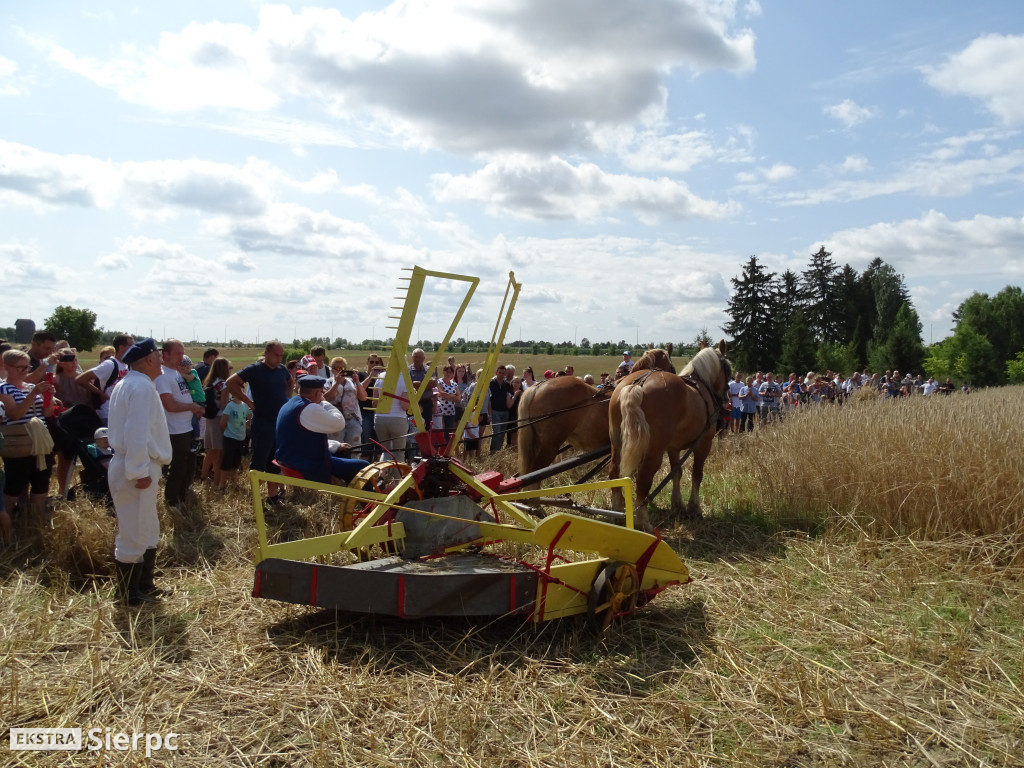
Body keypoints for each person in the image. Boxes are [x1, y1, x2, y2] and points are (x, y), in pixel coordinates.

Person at [107, 338, 173, 605]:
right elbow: (136, 433)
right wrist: (138, 471)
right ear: (148, 360)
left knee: (146, 527)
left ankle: (144, 585)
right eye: (158, 356)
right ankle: (128, 594)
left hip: (137, 464)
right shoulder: (142, 388)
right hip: (136, 467)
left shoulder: (130, 384)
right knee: (133, 531)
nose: (162, 361)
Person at [225, 340, 292, 503]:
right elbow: (230, 382)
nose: (279, 358)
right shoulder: (255, 369)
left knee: (274, 461)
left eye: (281, 355)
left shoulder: (282, 369)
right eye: (276, 355)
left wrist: (288, 398)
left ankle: (272, 495)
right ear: (267, 353)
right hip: (263, 422)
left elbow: (290, 381)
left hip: (278, 422)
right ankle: (254, 498)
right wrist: (249, 402)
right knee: (259, 460)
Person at [0, 348, 56, 540]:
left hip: (40, 442)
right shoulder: (3, 389)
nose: (25, 371)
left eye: (27, 367)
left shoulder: (31, 387)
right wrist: (33, 395)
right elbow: (14, 414)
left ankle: (37, 524)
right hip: (18, 442)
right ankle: (7, 528)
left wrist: (48, 396)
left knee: (41, 481)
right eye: (20, 368)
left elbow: (47, 414)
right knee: (15, 483)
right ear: (6, 367)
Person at [276, 376, 369, 484]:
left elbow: (301, 437)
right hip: (306, 463)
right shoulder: (309, 408)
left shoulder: (290, 404)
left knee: (342, 454)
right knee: (364, 466)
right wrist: (325, 403)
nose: (322, 395)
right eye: (321, 392)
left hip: (291, 458)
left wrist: (336, 445)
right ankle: (365, 500)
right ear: (317, 393)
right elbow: (339, 423)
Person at [155, 340, 204, 507]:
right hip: (175, 430)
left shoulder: (176, 373)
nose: (182, 357)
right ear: (166, 354)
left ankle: (183, 497)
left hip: (186, 426)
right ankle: (172, 502)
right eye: (178, 353)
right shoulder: (163, 376)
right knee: (178, 468)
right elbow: (169, 405)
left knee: (189, 466)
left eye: (183, 353)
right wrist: (192, 406)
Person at [76, 333, 133, 425]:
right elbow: (80, 379)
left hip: (122, 413)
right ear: (121, 347)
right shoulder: (109, 364)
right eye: (130, 345)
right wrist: (101, 393)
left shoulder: (127, 365)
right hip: (108, 413)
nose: (133, 347)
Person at [200, 358, 232, 488]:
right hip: (219, 419)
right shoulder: (224, 384)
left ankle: (203, 475)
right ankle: (217, 482)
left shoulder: (211, 382)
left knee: (212, 450)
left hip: (210, 418)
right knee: (219, 451)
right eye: (229, 368)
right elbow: (224, 405)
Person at [373, 362, 410, 463]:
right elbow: (404, 406)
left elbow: (374, 403)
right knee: (398, 453)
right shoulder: (405, 378)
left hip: (379, 419)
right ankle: (397, 479)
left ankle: (382, 477)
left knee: (386, 452)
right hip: (398, 419)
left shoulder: (380, 376)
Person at [219, 391, 251, 488]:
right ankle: (222, 483)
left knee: (236, 461)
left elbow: (249, 417)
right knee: (227, 460)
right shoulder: (230, 406)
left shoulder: (245, 406)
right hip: (230, 437)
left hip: (240, 438)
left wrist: (246, 424)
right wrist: (229, 429)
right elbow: (222, 422)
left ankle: (234, 482)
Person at [488, 364, 514, 453]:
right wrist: (490, 413)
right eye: (500, 372)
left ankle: (497, 451)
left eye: (503, 373)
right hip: (495, 411)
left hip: (505, 411)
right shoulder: (491, 383)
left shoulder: (507, 385)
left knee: (502, 433)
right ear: (496, 372)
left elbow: (510, 397)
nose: (501, 375)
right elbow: (489, 400)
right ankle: (492, 451)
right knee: (496, 432)